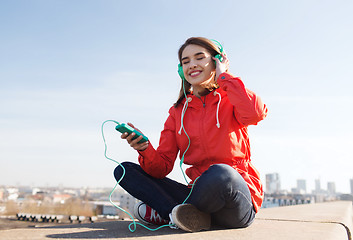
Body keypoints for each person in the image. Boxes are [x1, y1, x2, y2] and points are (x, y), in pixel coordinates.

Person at [114, 37, 268, 232]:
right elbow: (161, 168)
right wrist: (144, 148)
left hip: (233, 198)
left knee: (222, 173)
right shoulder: (177, 112)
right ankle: (178, 215)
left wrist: (224, 77)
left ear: (216, 61)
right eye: (185, 62)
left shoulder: (231, 97)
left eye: (199, 58)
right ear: (181, 70)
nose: (192, 65)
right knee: (125, 170)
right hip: (197, 194)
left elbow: (255, 113)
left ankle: (168, 212)